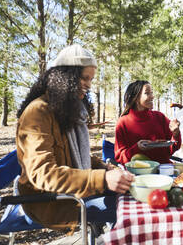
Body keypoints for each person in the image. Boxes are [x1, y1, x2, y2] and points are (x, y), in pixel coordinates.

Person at [16, 44, 134, 233]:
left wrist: (103, 167)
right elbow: (42, 174)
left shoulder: (67, 110)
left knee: (131, 196)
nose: (88, 85)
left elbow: (73, 157)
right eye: (84, 78)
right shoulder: (38, 112)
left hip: (75, 191)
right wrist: (102, 179)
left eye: (91, 79)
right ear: (65, 77)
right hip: (50, 201)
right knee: (129, 212)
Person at [114, 80, 181, 164]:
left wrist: (176, 134)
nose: (152, 96)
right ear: (136, 98)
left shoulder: (160, 117)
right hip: (138, 174)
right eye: (147, 93)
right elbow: (120, 158)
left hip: (164, 171)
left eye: (152, 93)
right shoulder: (123, 123)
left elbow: (172, 148)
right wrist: (137, 148)